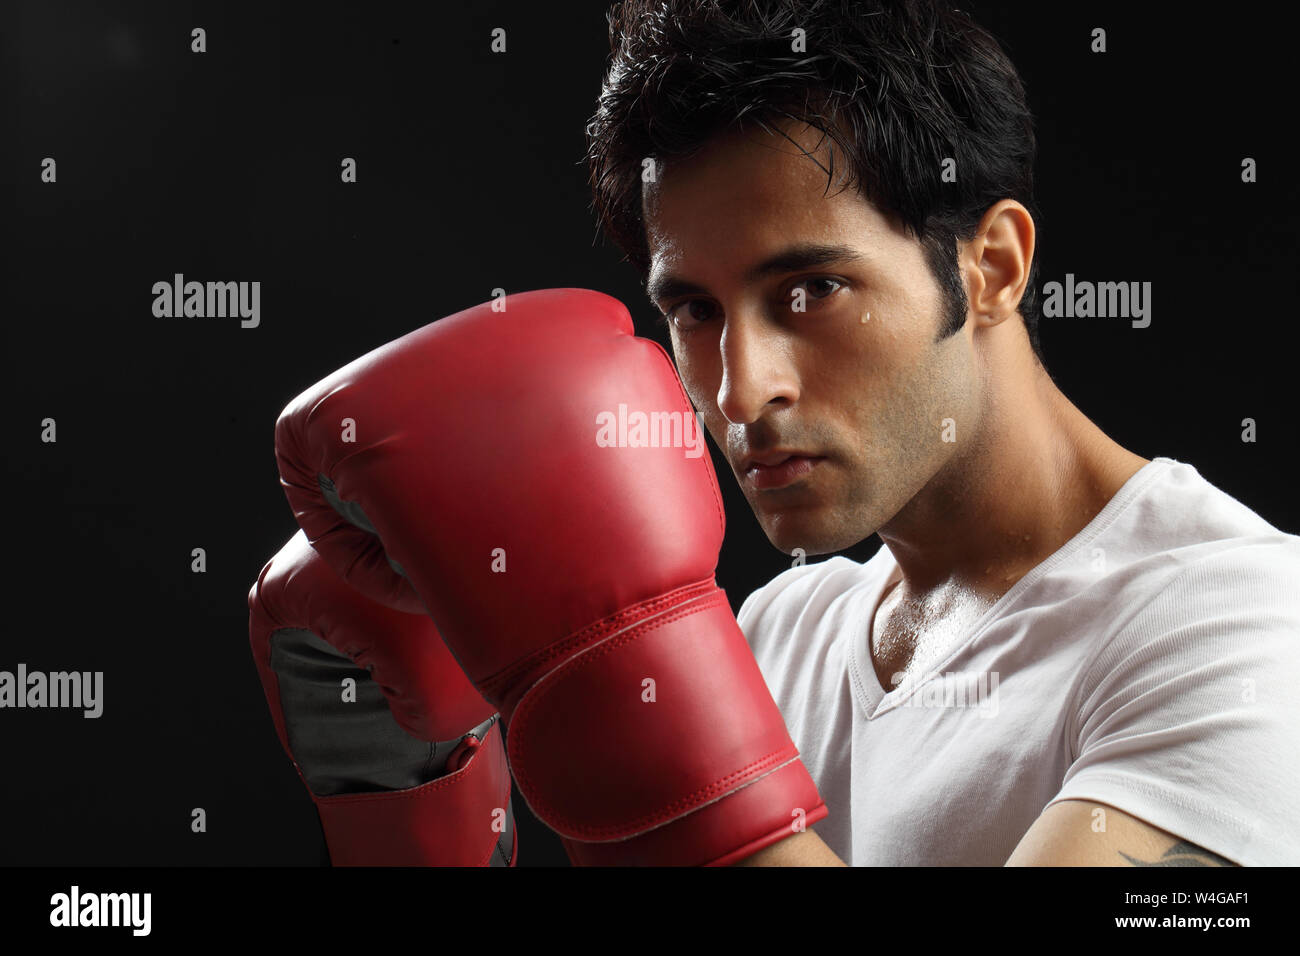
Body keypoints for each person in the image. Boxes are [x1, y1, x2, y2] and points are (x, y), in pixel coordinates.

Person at [583, 0, 1300, 865]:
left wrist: (602, 670)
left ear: (991, 267)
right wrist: (411, 749)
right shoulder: (779, 635)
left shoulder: (1241, 623)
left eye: (810, 290)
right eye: (695, 310)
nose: (742, 392)